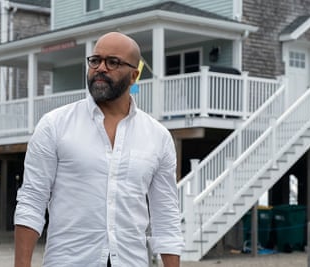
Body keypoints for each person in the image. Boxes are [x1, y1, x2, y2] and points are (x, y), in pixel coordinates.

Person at [14, 32, 184, 267]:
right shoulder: (55, 125)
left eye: (112, 62)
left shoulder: (158, 137)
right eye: (95, 61)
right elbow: (32, 200)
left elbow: (165, 215)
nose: (100, 68)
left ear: (134, 75)